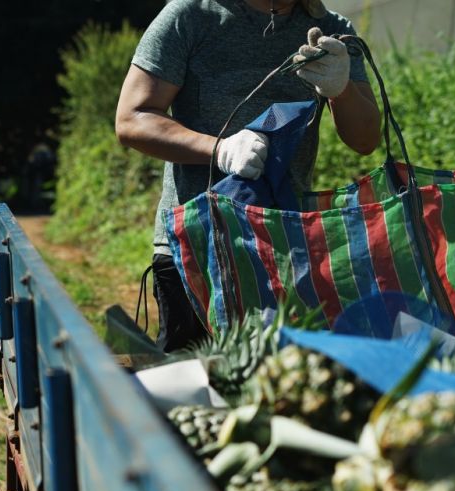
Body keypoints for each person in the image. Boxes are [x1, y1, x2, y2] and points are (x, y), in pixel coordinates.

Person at [115, 0, 381, 352]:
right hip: (195, 245)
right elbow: (132, 118)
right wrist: (220, 149)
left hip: (285, 248)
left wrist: (341, 88)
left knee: (275, 387)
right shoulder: (191, 16)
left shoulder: (330, 28)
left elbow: (365, 139)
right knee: (187, 388)